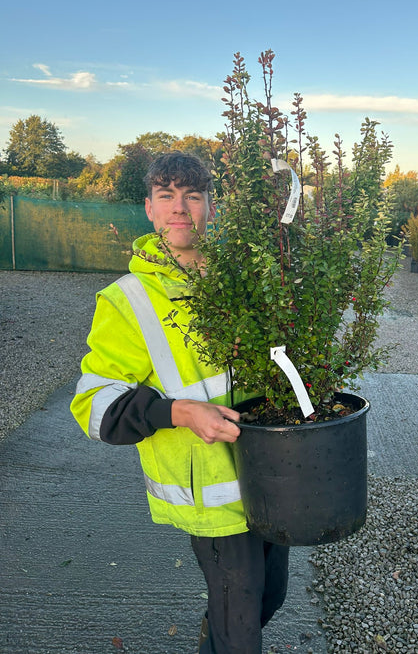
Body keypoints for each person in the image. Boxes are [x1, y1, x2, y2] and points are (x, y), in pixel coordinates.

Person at [71, 151, 289, 653]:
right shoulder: (127, 299)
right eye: (166, 195)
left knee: (270, 597)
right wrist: (181, 412)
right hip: (211, 498)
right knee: (241, 629)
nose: (179, 207)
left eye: (193, 195)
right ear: (148, 208)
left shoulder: (240, 281)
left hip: (270, 477)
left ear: (210, 207)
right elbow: (94, 405)